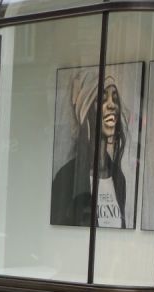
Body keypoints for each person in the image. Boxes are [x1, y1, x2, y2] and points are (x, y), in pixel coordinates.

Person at [51, 72, 131, 228]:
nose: (111, 105)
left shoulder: (119, 178)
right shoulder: (66, 177)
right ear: (87, 110)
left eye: (114, 98)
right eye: (102, 98)